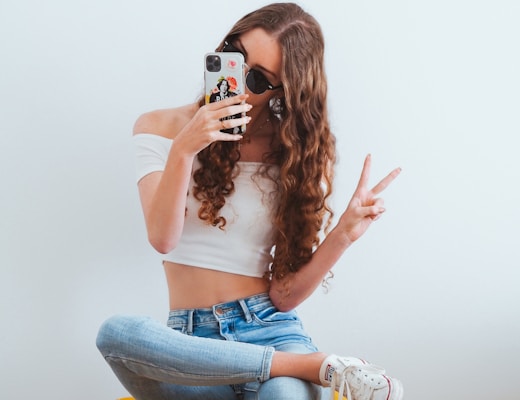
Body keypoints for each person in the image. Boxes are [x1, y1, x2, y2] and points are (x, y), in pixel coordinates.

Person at [96, 3, 403, 400]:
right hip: (192, 349)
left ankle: (293, 367)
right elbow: (162, 238)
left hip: (270, 331)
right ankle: (317, 366)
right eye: (235, 56)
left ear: (283, 92)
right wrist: (185, 148)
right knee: (116, 334)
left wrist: (343, 234)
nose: (239, 81)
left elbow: (284, 295)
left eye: (258, 78)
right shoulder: (158, 128)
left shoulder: (292, 153)